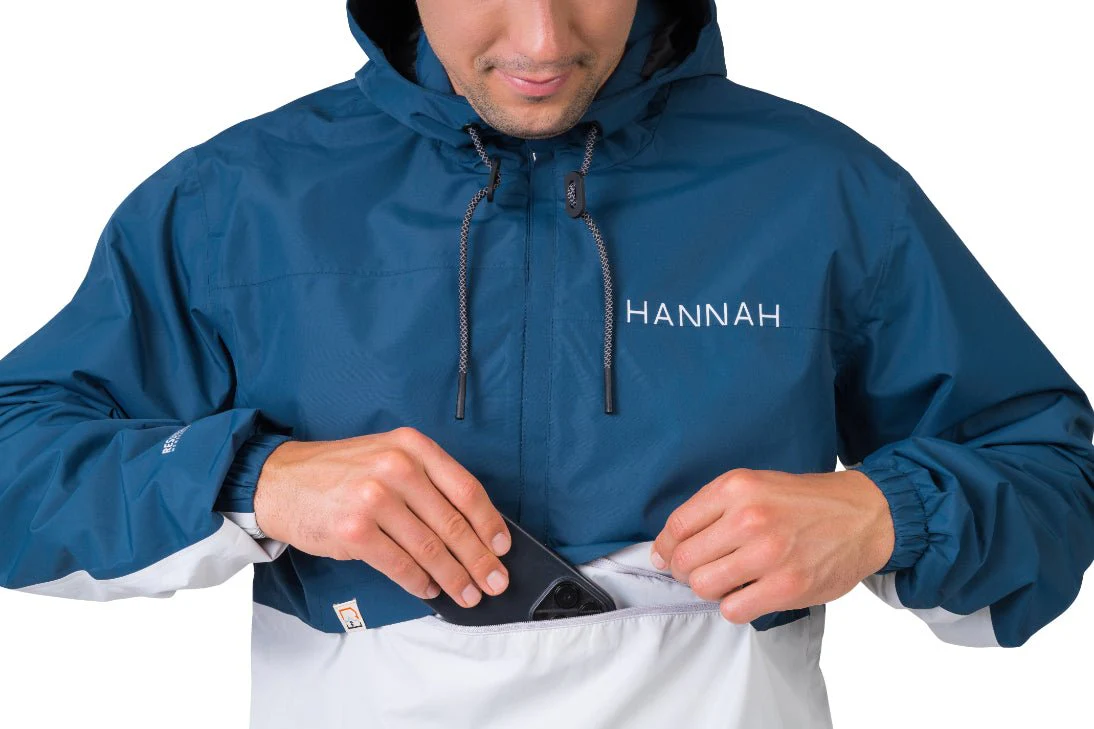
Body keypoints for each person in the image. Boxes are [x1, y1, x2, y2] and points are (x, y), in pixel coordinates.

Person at [1, 0, 1092, 726]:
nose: (541, 39)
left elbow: (1053, 467)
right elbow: (18, 460)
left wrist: (887, 514)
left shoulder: (823, 189)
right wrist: (255, 482)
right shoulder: (240, 198)